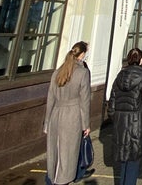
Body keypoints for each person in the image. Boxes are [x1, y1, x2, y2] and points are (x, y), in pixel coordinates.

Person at [108, 47, 142, 185]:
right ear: (141, 60)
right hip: (137, 127)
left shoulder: (118, 78)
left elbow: (111, 108)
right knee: (132, 164)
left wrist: (119, 120)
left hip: (121, 127)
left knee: (124, 163)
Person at [44, 41, 91, 185]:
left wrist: (47, 123)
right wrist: (86, 125)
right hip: (72, 117)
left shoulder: (57, 72)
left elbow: (50, 99)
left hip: (56, 115)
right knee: (68, 155)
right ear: (82, 55)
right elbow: (85, 102)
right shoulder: (82, 73)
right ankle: (62, 181)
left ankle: (53, 179)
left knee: (54, 154)